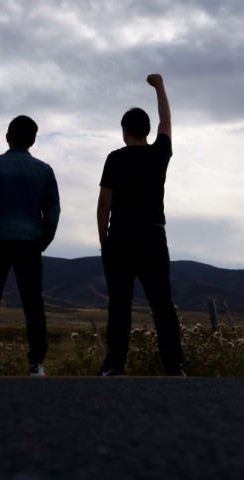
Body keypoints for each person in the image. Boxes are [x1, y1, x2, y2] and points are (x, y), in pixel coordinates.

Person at [97, 74, 184, 376]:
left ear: (124, 131)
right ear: (147, 131)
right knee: (162, 304)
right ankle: (174, 366)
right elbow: (166, 120)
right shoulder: (159, 154)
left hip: (120, 237)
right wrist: (160, 86)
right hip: (152, 235)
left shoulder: (114, 159)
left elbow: (104, 203)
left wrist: (104, 241)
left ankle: (114, 365)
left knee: (119, 304)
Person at [0, 115, 60, 378]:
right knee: (33, 305)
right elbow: (52, 211)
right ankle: (37, 364)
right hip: (30, 243)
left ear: (7, 137)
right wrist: (43, 239)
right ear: (33, 140)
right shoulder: (44, 170)